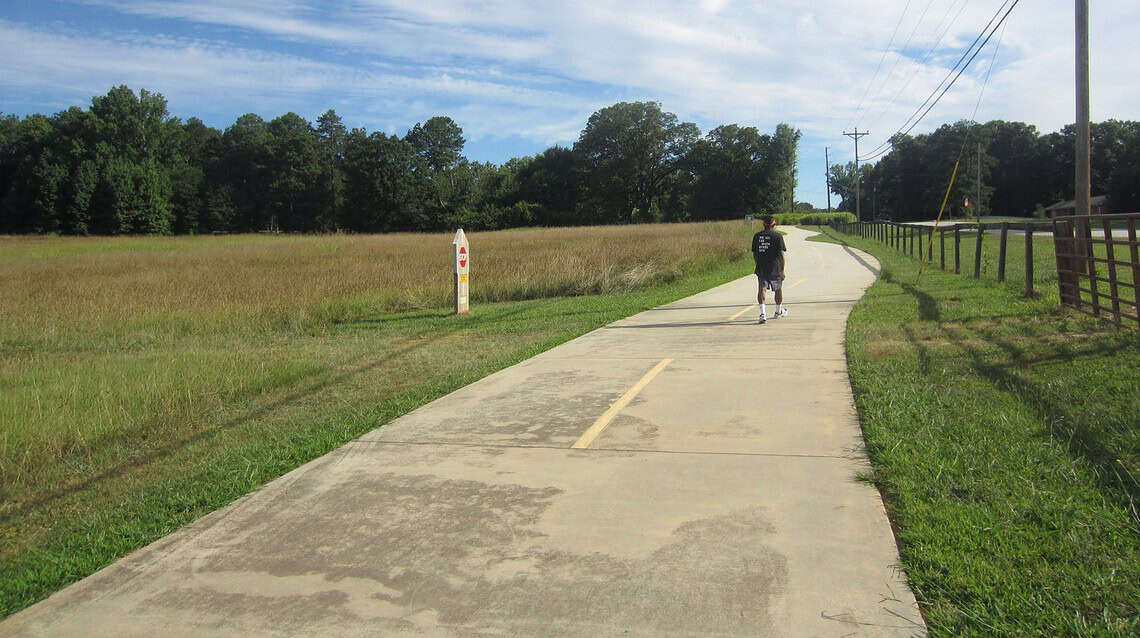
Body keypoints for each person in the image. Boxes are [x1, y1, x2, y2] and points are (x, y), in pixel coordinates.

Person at [751, 215, 787, 324]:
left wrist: (757, 264)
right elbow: (781, 255)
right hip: (775, 267)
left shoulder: (757, 236)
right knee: (778, 289)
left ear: (763, 224)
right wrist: (782, 270)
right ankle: (778, 311)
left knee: (762, 289)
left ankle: (762, 314)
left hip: (761, 266)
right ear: (774, 225)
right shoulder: (777, 236)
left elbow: (755, 254)